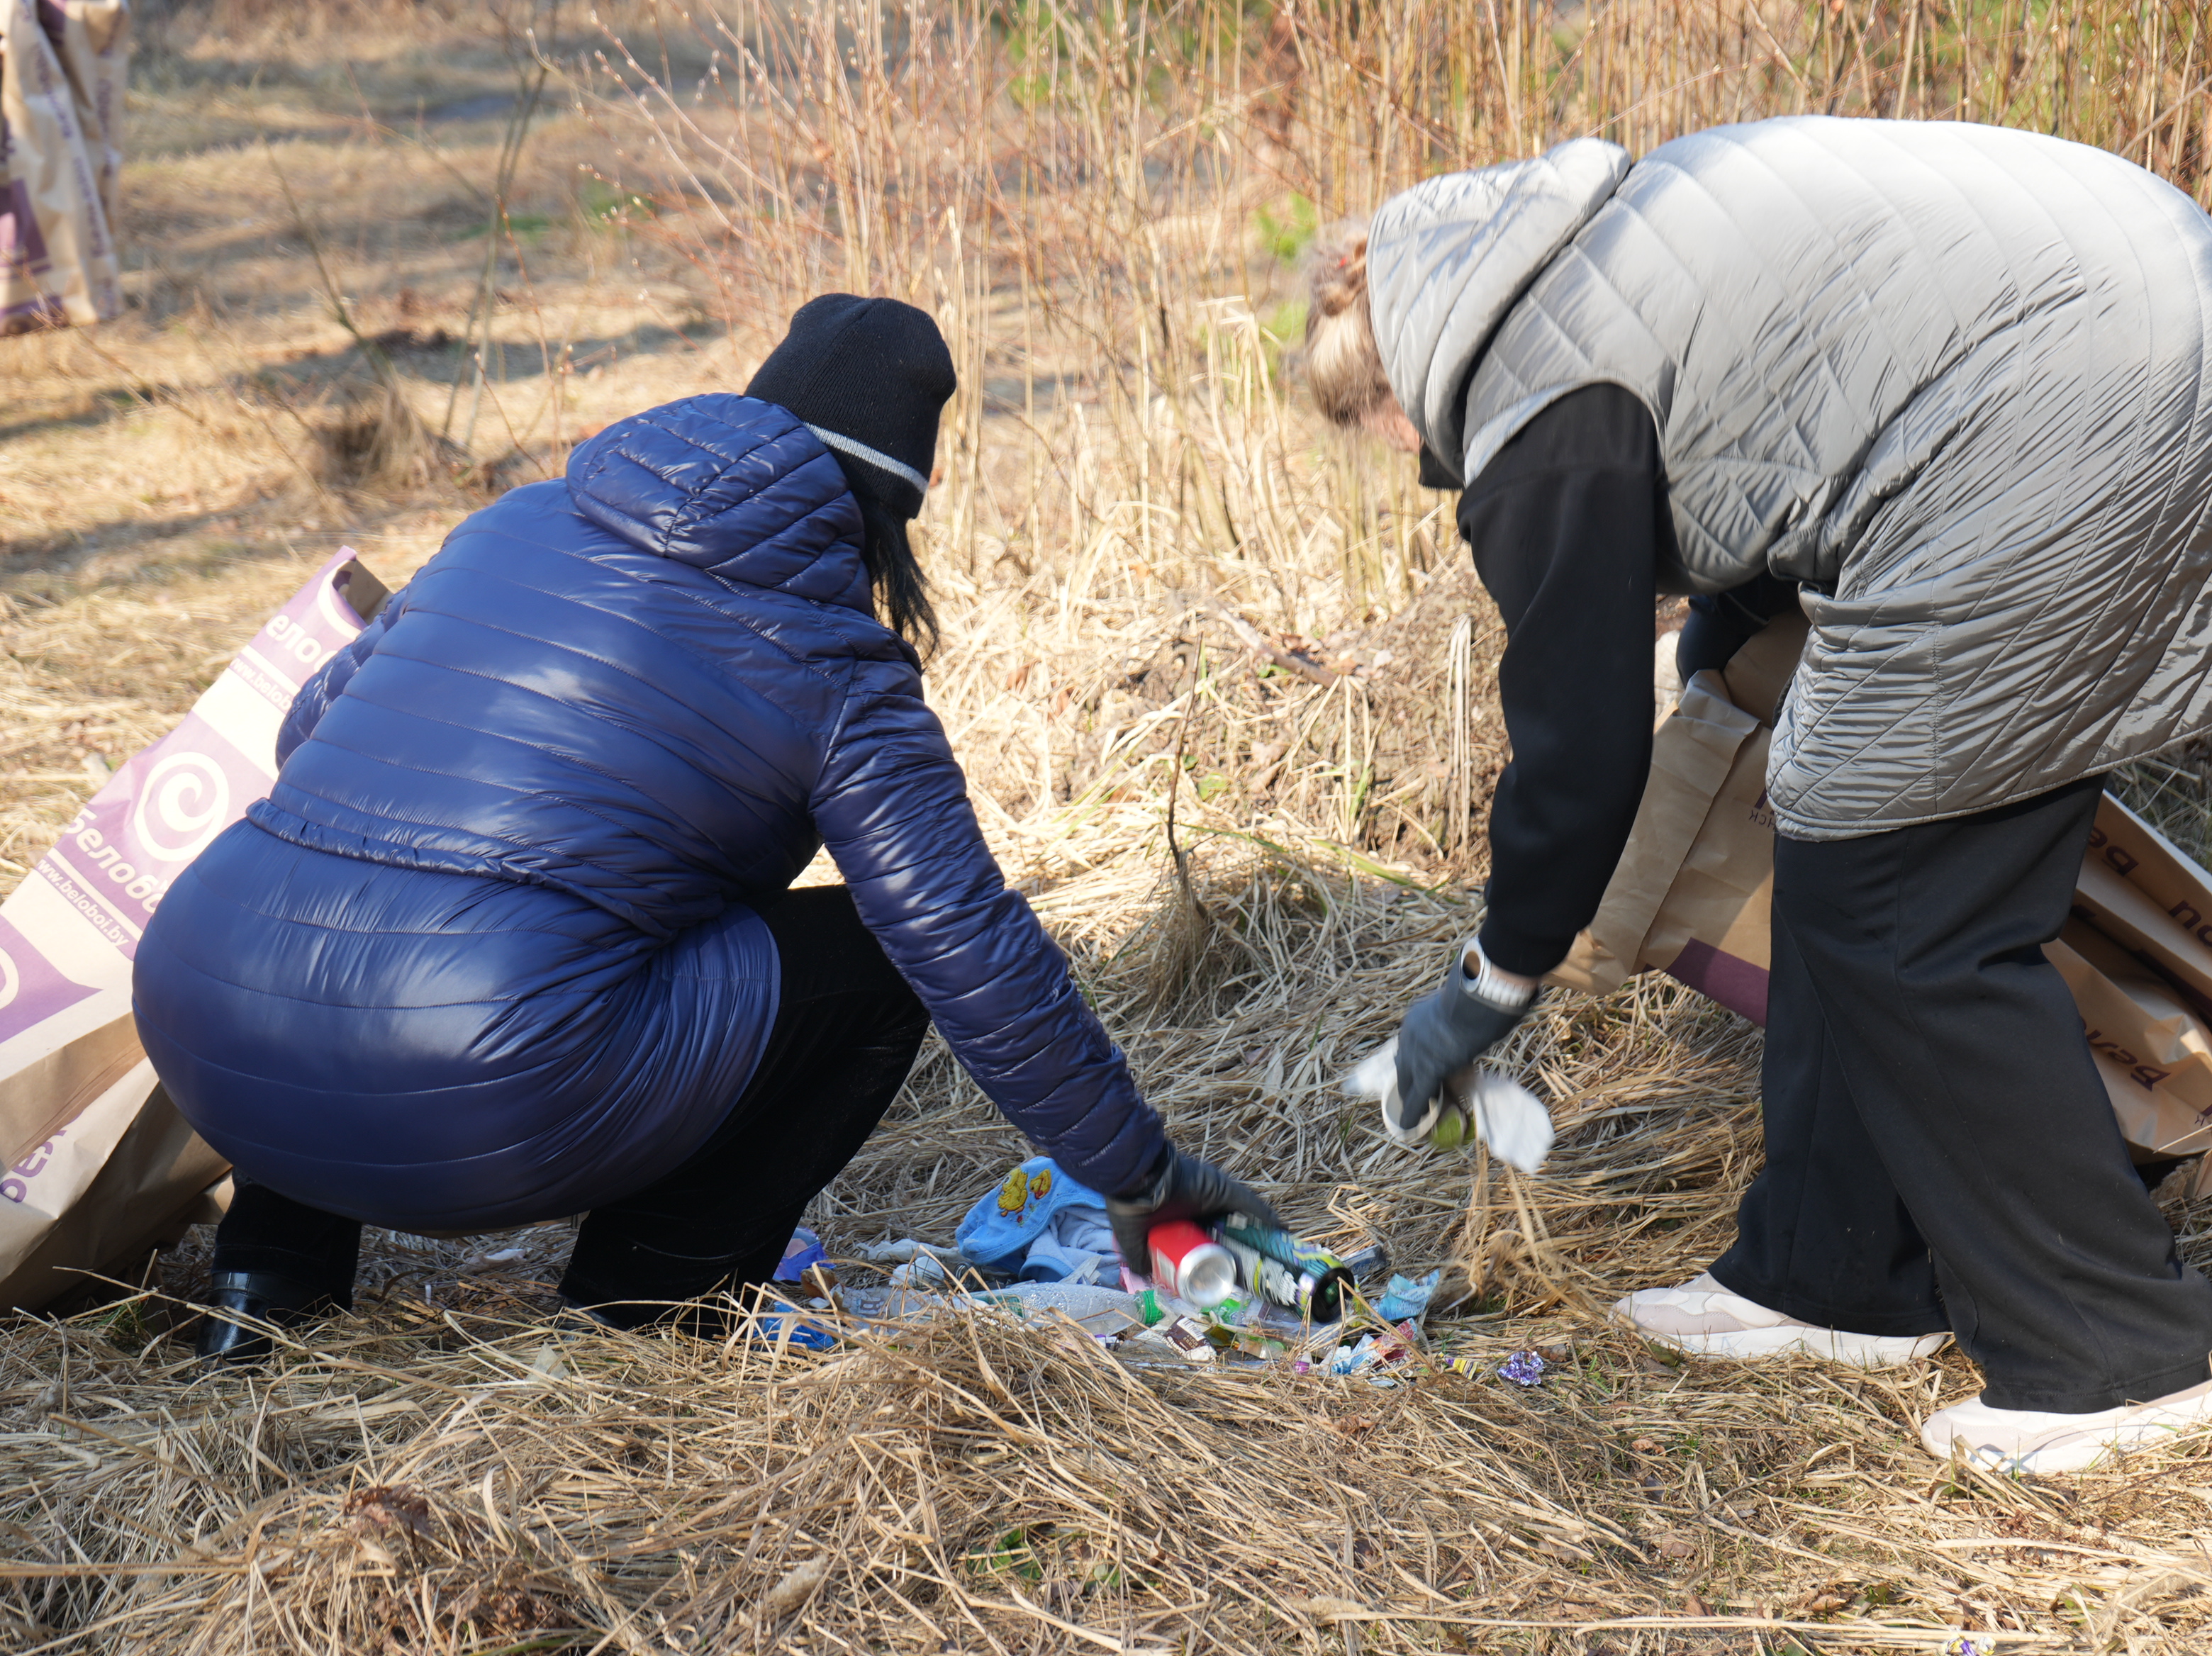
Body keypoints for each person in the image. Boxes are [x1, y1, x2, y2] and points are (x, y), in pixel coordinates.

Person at [1308, 117, 2212, 1475]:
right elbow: (1788, 439)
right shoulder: (1587, 266)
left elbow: (1576, 751)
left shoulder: (1538, 401)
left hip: (2073, 400)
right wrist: (1716, 657)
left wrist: (1488, 985)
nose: (1424, 463)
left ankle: (2119, 1356)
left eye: (1399, 445)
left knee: (1903, 904)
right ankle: (1834, 1274)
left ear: (1398, 397)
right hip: (2117, 323)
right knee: (1843, 857)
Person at [133, 295, 1277, 1358]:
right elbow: (965, 947)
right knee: (879, 964)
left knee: (345, 875)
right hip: (480, 1083)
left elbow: (307, 731)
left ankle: (268, 1287)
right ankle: (641, 1310)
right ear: (890, 509)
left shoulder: (509, 523)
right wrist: (1152, 1187)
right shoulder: (835, 664)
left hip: (205, 1019)